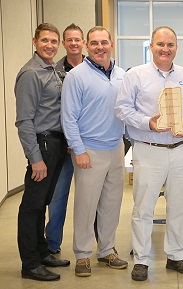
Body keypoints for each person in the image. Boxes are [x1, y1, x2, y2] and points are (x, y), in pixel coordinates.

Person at [115, 26, 183, 282]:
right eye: (160, 44)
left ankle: (176, 255)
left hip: (181, 150)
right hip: (149, 149)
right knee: (143, 208)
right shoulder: (136, 76)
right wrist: (147, 122)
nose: (165, 49)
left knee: (178, 205)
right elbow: (122, 109)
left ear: (176, 47)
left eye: (170, 45)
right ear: (151, 46)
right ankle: (142, 259)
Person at [61, 26, 128, 277]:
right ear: (87, 46)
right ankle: (82, 254)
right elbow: (68, 117)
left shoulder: (122, 75)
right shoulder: (76, 76)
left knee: (112, 204)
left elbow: (126, 112)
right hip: (89, 150)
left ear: (111, 44)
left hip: (116, 148)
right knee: (86, 206)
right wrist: (79, 150)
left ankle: (107, 250)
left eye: (104, 42)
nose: (100, 47)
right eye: (94, 43)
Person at [15, 23, 70, 281]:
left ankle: (41, 252)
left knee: (42, 203)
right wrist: (35, 158)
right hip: (43, 145)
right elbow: (24, 121)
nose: (50, 45)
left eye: (53, 41)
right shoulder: (31, 74)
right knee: (32, 206)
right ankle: (30, 264)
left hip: (56, 144)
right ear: (34, 41)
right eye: (45, 40)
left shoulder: (53, 70)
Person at [45, 23, 85, 255]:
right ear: (64, 43)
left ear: (83, 43)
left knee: (92, 199)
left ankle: (101, 246)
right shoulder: (54, 70)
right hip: (63, 146)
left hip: (89, 145)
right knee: (58, 197)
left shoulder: (95, 67)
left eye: (77, 39)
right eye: (69, 40)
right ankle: (52, 244)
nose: (73, 43)